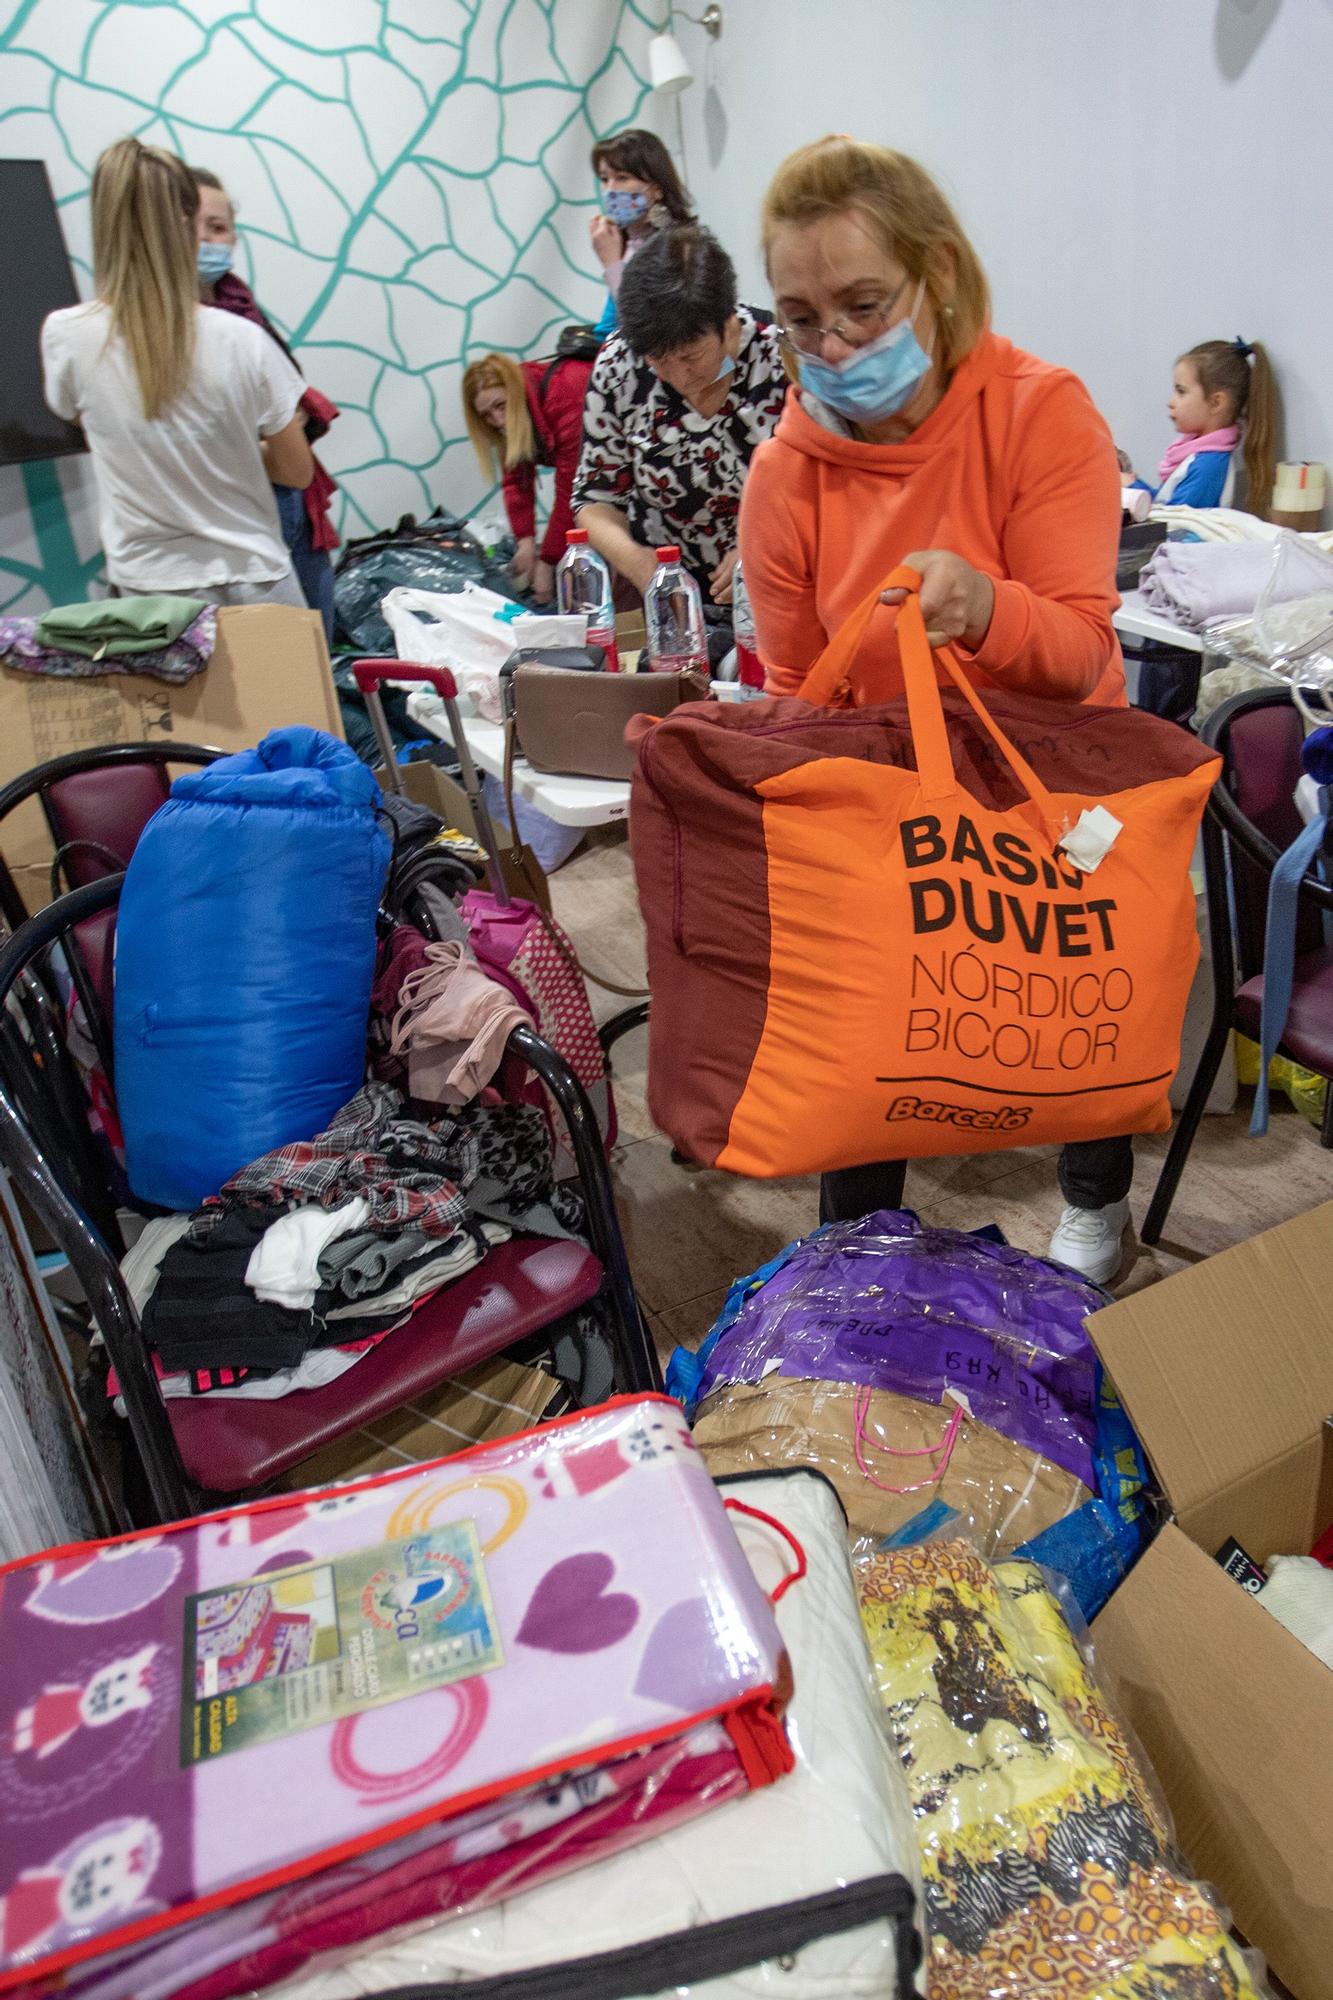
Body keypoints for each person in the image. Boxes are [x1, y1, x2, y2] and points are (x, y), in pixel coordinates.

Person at [740, 135, 1132, 1284]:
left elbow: (1078, 650)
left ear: (940, 276)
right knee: (879, 1028)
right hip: (891, 793)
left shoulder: (1039, 413)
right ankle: (851, 1249)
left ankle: (1093, 1202)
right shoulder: (786, 475)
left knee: (1075, 999)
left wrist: (983, 604)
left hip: (1049, 784)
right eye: (800, 318)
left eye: (863, 305)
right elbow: (792, 691)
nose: (833, 346)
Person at [42, 138, 312, 607]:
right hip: (258, 584)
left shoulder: (66, 335)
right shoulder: (241, 338)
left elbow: (82, 420)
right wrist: (235, 448)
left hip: (152, 596)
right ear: (185, 224)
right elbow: (296, 470)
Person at [574, 226, 786, 610]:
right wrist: (637, 562)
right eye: (657, 360)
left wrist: (763, 546)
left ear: (727, 324)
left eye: (690, 356)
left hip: (779, 588)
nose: (675, 375)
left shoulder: (782, 360)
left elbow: (828, 487)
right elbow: (594, 498)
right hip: (670, 601)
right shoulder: (619, 365)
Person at [192, 167, 340, 639]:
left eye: (217, 227)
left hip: (291, 500)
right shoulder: (160, 335)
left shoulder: (242, 309)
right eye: (192, 226)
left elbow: (289, 416)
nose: (206, 239)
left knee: (316, 644)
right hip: (225, 524)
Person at [462, 349, 595, 601]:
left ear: (514, 392)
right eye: (487, 415)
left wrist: (548, 562)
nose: (498, 419)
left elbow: (572, 488)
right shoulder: (515, 415)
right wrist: (525, 543)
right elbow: (516, 482)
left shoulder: (565, 392)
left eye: (501, 406)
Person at [1120, 337, 1276, 510]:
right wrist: (1133, 483)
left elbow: (1177, 519)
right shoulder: (1198, 456)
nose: (1171, 402)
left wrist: (1133, 488)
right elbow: (1166, 503)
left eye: (1181, 391)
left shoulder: (1209, 465)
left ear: (1216, 403)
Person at [589, 129, 695, 339]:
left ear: (656, 189)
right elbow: (610, 326)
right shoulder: (626, 241)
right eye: (604, 179)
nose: (610, 189)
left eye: (622, 177)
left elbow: (646, 326)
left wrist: (611, 264)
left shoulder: (680, 245)